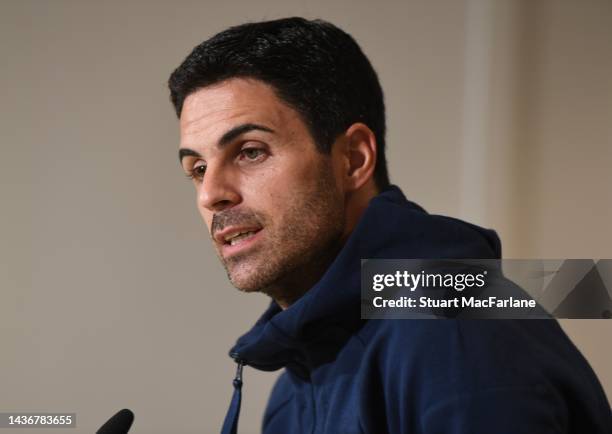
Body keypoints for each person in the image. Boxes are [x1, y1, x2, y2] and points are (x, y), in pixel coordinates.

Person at [168, 17, 612, 434]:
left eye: (250, 151)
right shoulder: (295, 387)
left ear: (354, 159)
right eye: (198, 168)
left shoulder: (453, 332)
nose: (211, 194)